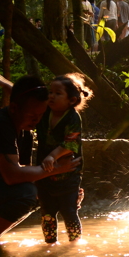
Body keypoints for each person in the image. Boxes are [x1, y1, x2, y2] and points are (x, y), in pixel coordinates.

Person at [0, 75, 77, 236]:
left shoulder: (25, 132)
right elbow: (13, 176)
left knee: (40, 192)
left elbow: (25, 174)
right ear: (13, 108)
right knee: (27, 193)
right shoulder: (0, 123)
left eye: (41, 115)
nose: (37, 120)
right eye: (32, 115)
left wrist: (66, 191)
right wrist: (56, 169)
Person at [35, 73, 93, 245]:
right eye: (50, 92)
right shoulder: (45, 112)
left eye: (58, 93)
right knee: (46, 212)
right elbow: (25, 99)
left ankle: (75, 244)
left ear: (72, 100)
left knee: (69, 211)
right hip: (44, 173)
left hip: (68, 174)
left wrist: (52, 156)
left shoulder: (72, 117)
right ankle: (50, 243)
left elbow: (71, 144)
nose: (51, 96)